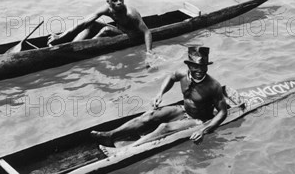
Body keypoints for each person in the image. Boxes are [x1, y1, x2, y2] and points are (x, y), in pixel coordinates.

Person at [92, 46, 229, 155]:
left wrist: (203, 130)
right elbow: (170, 77)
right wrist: (160, 93)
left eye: (203, 66)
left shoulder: (213, 86)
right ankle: (110, 135)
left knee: (164, 127)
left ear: (206, 66)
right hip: (183, 110)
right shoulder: (182, 74)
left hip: (200, 120)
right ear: (189, 66)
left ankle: (124, 150)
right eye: (195, 66)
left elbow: (222, 112)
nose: (199, 70)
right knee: (149, 115)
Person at [47, 0, 153, 53]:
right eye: (115, 0)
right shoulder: (107, 9)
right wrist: (60, 37)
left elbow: (147, 32)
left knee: (106, 29)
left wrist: (149, 52)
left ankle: (88, 46)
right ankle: (73, 45)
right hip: (120, 30)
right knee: (91, 24)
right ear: (108, 2)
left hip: (131, 34)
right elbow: (84, 22)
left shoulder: (131, 13)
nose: (119, 2)